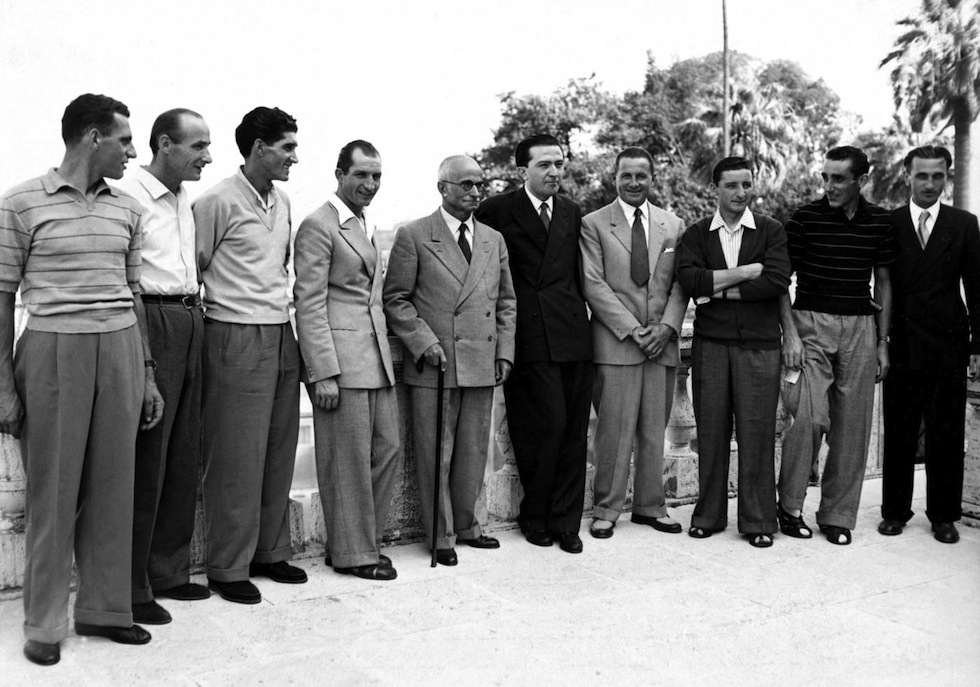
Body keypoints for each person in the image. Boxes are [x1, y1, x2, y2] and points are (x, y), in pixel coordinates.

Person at [0, 93, 164, 666]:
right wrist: (3, 386)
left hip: (120, 348)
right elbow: (2, 298)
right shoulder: (20, 203)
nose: (132, 152)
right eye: (125, 140)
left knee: (115, 488)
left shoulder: (129, 210)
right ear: (94, 137)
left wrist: (146, 373)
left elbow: (134, 293)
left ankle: (104, 610)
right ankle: (44, 624)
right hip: (51, 349)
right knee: (53, 493)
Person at [193, 107, 307, 604]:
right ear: (259, 148)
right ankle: (227, 565)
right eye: (287, 147)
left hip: (281, 333)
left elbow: (281, 268)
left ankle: (269, 552)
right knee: (235, 457)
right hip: (233, 334)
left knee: (279, 450)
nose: (294, 157)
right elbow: (192, 269)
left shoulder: (283, 200)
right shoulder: (215, 200)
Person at [384, 155, 517, 565]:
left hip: (481, 360)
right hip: (436, 364)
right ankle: (440, 536)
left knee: (474, 452)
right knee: (435, 453)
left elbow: (507, 302)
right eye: (466, 185)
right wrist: (423, 341)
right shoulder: (414, 235)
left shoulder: (493, 239)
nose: (476, 192)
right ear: (443, 188)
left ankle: (468, 525)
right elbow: (396, 299)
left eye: (480, 184)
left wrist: (504, 352)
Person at [114, 108, 212, 625]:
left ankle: (170, 571)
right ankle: (133, 585)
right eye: (198, 146)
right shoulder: (129, 196)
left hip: (191, 317)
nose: (207, 156)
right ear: (165, 144)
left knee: (184, 452)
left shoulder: (184, 200)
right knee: (148, 455)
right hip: (152, 319)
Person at [475, 134, 593, 554]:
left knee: (574, 433)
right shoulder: (496, 210)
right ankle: (535, 515)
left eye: (559, 164)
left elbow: (581, 275)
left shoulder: (572, 211)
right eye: (544, 165)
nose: (554, 172)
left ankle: (567, 523)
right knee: (541, 430)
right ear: (523, 170)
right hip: (525, 337)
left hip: (573, 336)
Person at [294, 140, 401, 580]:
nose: (370, 184)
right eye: (361, 175)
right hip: (341, 363)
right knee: (347, 462)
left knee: (388, 450)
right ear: (339, 174)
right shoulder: (319, 225)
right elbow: (308, 303)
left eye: (376, 176)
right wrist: (322, 373)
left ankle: (359, 542)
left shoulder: (362, 223)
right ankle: (354, 553)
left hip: (375, 361)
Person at [778, 145, 896, 546]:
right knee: (809, 417)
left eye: (839, 179)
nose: (829, 186)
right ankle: (789, 506)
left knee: (852, 427)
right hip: (811, 324)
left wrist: (882, 342)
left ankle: (837, 515)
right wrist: (790, 333)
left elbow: (883, 283)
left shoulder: (879, 221)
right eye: (825, 177)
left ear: (862, 180)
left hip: (861, 327)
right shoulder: (805, 218)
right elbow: (780, 281)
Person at [676, 156, 790, 547]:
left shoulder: (771, 230)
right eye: (732, 185)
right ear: (715, 189)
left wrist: (718, 290)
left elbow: (775, 281)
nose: (741, 193)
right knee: (710, 431)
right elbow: (690, 281)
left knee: (757, 433)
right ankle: (708, 516)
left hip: (759, 346)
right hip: (711, 345)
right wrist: (744, 272)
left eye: (746, 184)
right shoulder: (696, 234)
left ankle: (759, 521)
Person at [579, 147, 687, 540]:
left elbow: (681, 283)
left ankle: (650, 506)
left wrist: (667, 327)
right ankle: (606, 509)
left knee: (654, 431)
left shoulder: (673, 225)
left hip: (661, 345)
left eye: (641, 175)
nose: (634, 182)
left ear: (652, 178)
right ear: (615, 178)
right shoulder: (593, 224)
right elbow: (593, 284)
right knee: (613, 431)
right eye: (626, 175)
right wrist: (633, 329)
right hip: (616, 344)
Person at [879, 145, 980, 544]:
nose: (930, 183)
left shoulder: (964, 224)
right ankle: (894, 511)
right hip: (901, 341)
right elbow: (881, 286)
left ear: (947, 177)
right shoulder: (889, 223)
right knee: (899, 429)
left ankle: (943, 515)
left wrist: (977, 348)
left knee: (946, 431)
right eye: (922, 175)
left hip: (948, 342)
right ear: (908, 175)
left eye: (938, 176)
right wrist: (880, 341)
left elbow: (977, 289)